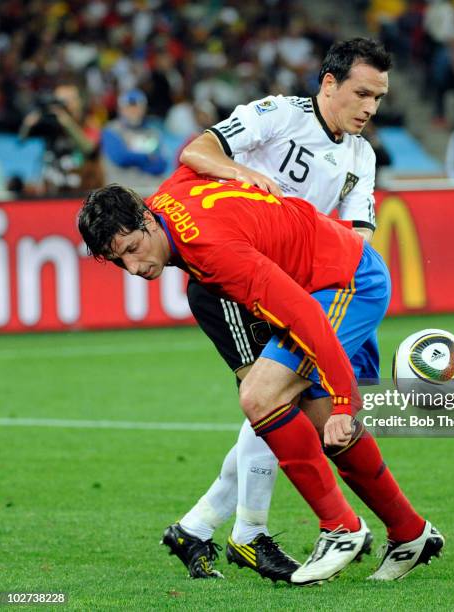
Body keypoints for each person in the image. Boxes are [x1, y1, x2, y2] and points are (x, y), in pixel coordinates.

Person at [78, 168, 444, 585]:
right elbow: (194, 155)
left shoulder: (212, 253)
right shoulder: (165, 199)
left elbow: (304, 316)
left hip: (346, 282)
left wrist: (346, 399)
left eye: (132, 249)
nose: (133, 267)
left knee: (260, 395)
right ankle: (411, 533)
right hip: (330, 272)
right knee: (322, 422)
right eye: (118, 260)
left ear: (146, 220)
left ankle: (341, 528)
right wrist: (234, 170)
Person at [163, 38, 398, 581]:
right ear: (329, 83)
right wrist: (240, 175)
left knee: (276, 403)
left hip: (288, 288)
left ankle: (198, 528)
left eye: (379, 98)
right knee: (271, 401)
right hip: (227, 281)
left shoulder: (361, 156)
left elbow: (359, 235)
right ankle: (247, 536)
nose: (369, 108)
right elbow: (196, 152)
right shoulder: (277, 115)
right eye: (361, 93)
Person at [19, 81, 102, 194]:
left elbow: (89, 148)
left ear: (78, 102)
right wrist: (28, 124)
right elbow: (22, 139)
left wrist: (67, 123)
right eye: (58, 100)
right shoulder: (51, 125)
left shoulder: (89, 123)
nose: (64, 105)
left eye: (68, 100)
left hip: (82, 189)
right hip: (53, 188)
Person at [101, 89, 168, 191]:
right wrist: (147, 157)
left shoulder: (152, 132)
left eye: (137, 107)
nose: (133, 111)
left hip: (150, 188)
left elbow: (161, 164)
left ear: (144, 109)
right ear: (121, 109)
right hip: (121, 191)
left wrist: (133, 158)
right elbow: (121, 158)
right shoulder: (111, 130)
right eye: (129, 107)